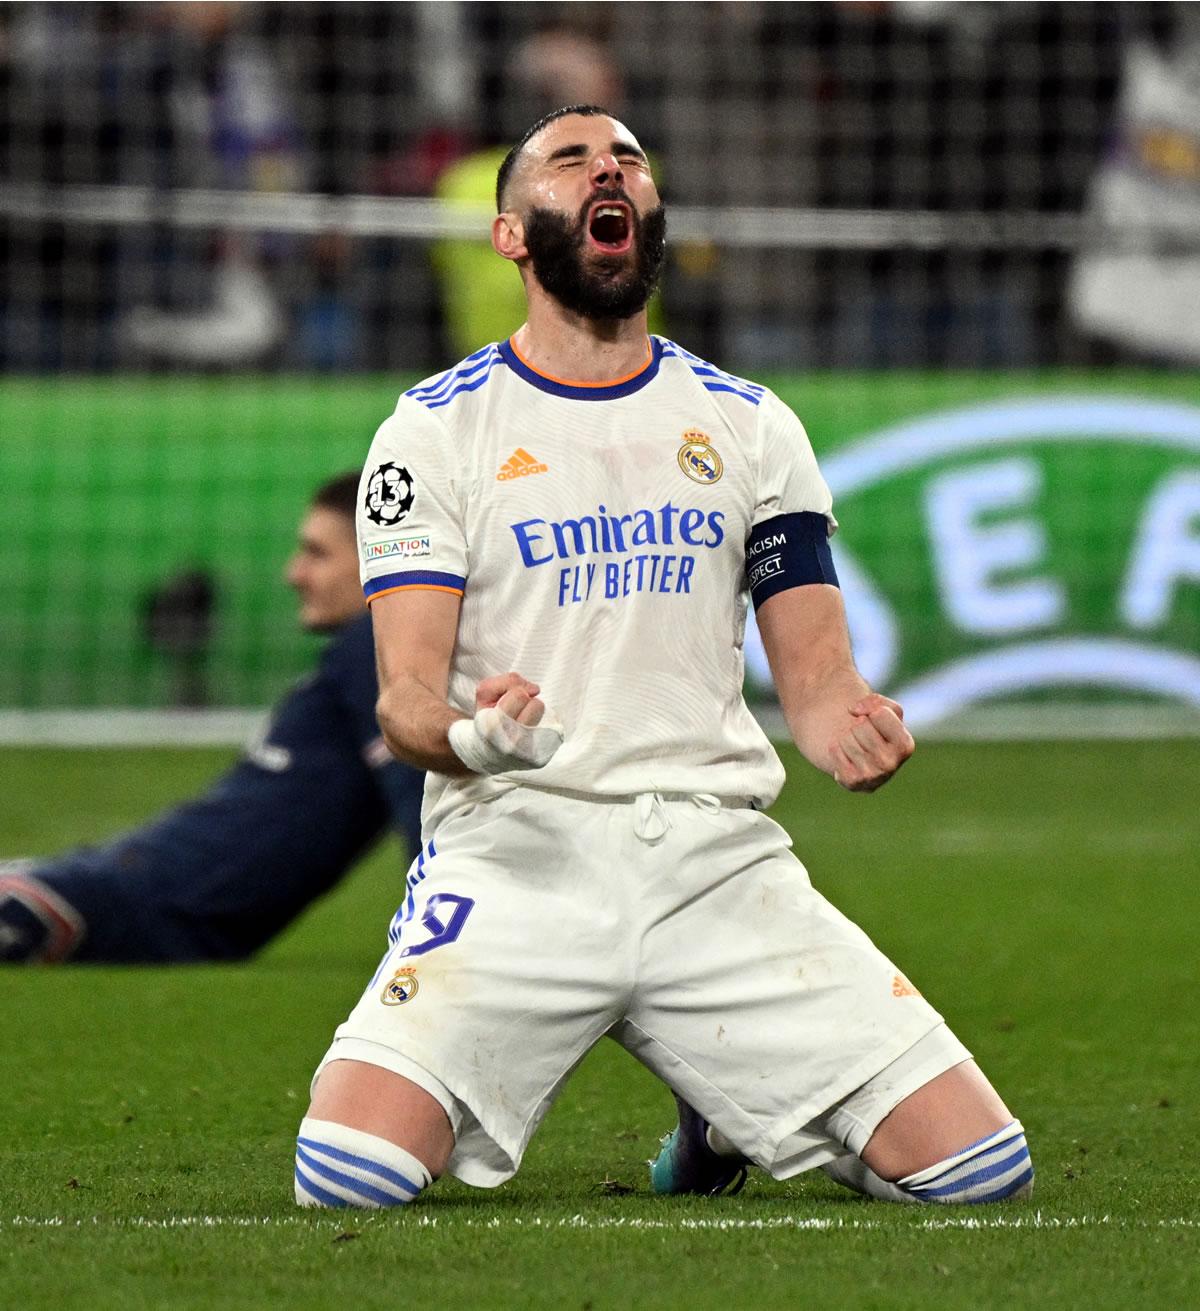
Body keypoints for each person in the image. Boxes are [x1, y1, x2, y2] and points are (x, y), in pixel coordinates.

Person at [293, 106, 1033, 1211]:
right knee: (347, 1179)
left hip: (709, 858)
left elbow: (819, 678)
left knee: (981, 1175)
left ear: (647, 215)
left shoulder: (749, 424)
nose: (611, 170)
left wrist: (846, 723)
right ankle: (722, 1089)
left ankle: (718, 1116)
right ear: (510, 234)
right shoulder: (434, 431)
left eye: (628, 159)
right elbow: (403, 698)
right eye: (574, 158)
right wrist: (471, 737)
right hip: (517, 856)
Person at [0, 474, 424, 964]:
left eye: (316, 554)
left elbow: (422, 807)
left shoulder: (373, 644)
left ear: (380, 559)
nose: (294, 573)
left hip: (142, 906)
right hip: (120, 888)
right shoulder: (367, 656)